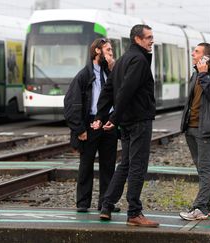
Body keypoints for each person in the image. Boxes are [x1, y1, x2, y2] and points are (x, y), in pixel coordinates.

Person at [91, 24, 159, 227]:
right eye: (148, 37)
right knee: (137, 165)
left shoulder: (121, 61)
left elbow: (108, 90)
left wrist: (102, 116)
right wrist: (112, 118)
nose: (151, 40)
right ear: (137, 39)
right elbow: (126, 90)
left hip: (128, 121)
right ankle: (134, 213)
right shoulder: (138, 60)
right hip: (138, 120)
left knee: (126, 164)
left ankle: (107, 205)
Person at [64, 38, 119, 213]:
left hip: (108, 123)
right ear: (97, 51)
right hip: (90, 124)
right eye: (108, 50)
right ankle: (82, 203)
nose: (111, 53)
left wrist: (113, 69)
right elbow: (71, 103)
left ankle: (106, 203)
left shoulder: (110, 73)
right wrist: (79, 129)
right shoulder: (84, 75)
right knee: (86, 164)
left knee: (108, 165)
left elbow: (121, 90)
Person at [179, 43, 210, 221]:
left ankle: (199, 208)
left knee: (206, 169)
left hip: (206, 129)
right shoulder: (195, 73)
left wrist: (204, 74)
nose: (192, 53)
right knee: (203, 169)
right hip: (191, 127)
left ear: (206, 57)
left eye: (197, 52)